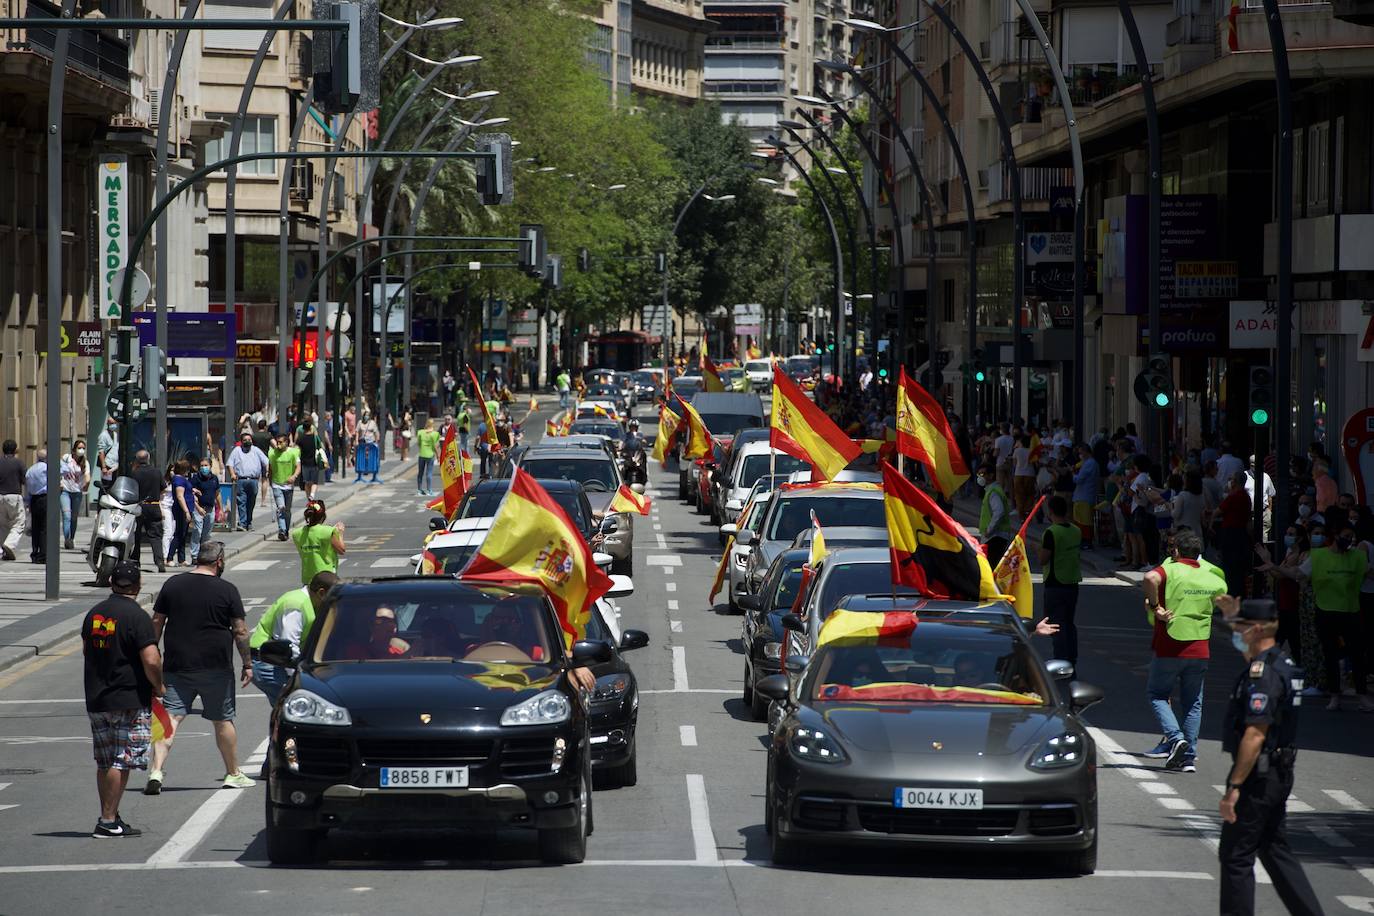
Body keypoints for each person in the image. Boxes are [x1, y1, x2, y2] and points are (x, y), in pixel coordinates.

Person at [1214, 597, 1324, 916]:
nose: (1236, 633)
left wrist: (1234, 786)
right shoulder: (1279, 663)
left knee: (1236, 856)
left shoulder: (1264, 674)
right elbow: (1250, 651)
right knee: (1274, 849)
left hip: (1259, 776)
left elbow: (1255, 734)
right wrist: (1234, 615)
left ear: (1257, 629)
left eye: (1241, 628)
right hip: (1278, 772)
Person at [146, 541, 255, 794]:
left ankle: (156, 770)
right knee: (222, 720)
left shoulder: (172, 585)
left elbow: (157, 621)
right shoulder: (227, 590)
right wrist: (247, 663)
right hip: (215, 665)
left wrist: (154, 651)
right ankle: (233, 773)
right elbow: (240, 630)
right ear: (219, 561)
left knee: (170, 719)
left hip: (177, 663)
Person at [82, 560, 164, 838]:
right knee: (122, 760)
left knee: (105, 761)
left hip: (97, 697)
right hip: (128, 698)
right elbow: (151, 659)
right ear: (138, 586)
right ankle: (107, 820)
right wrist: (159, 686)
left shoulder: (94, 614)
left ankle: (110, 815)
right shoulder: (137, 616)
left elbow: (86, 650)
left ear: (111, 583)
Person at [1140, 529, 1228, 772]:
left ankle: (1175, 737)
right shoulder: (1212, 574)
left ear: (1176, 551)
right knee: (1193, 703)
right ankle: (1188, 756)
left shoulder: (1171, 568)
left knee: (1157, 694)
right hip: (1199, 646)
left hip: (1170, 643)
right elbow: (1221, 598)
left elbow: (1149, 579)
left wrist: (1155, 605)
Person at [1298, 521, 1372, 711]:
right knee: (1330, 655)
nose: (1349, 540)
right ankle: (1335, 696)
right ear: (1336, 535)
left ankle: (1362, 696)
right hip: (1326, 612)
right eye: (1346, 536)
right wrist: (1274, 566)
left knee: (1357, 655)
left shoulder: (1357, 556)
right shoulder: (1319, 556)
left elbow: (1369, 572)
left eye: (1351, 537)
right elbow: (1297, 574)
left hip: (1351, 612)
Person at [1038, 496, 1082, 666]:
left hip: (1055, 582)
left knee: (1056, 624)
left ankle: (1061, 661)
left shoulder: (1051, 532)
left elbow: (1043, 559)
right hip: (1072, 582)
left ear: (1050, 512)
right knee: (1069, 623)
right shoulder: (1075, 530)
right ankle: (1071, 657)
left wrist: (1036, 549)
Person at [292, 499, 346, 586]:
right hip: (327, 577)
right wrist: (340, 533)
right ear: (323, 515)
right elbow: (341, 550)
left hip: (308, 578)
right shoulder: (328, 531)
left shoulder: (297, 533)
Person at [1216, 472, 1254, 596]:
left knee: (1230, 568)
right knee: (1238, 569)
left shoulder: (1234, 496)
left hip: (1231, 535)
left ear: (1235, 481)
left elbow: (1218, 511)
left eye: (1231, 479)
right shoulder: (1246, 496)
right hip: (1241, 535)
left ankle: (1232, 594)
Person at [129, 450, 166, 572]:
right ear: (148, 458)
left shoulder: (135, 473)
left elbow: (131, 491)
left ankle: (135, 560)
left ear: (137, 460)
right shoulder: (156, 472)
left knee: (136, 535)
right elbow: (163, 489)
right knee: (155, 536)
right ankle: (160, 561)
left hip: (138, 507)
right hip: (154, 506)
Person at [225, 432, 268, 531]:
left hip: (253, 480)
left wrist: (268, 470)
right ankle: (242, 523)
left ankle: (249, 522)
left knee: (251, 503)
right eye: (245, 440)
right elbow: (230, 463)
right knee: (241, 502)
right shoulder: (237, 450)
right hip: (241, 480)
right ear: (241, 442)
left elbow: (266, 461)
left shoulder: (256, 450)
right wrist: (232, 474)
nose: (247, 442)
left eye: (249, 440)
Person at [976, 462, 1012, 566]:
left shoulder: (993, 492)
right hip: (993, 536)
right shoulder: (990, 490)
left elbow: (999, 512)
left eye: (982, 474)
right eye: (978, 474)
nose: (979, 477)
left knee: (991, 566)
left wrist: (989, 529)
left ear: (991, 475)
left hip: (995, 536)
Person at [267, 433, 301, 541]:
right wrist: (269, 480)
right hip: (277, 484)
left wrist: (294, 476)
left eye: (281, 442)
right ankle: (281, 529)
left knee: (287, 510)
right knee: (281, 508)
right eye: (277, 442)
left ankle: (286, 529)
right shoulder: (272, 453)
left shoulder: (293, 453)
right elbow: (270, 467)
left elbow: (298, 467)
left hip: (289, 486)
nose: (278, 444)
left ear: (286, 442)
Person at [188, 455, 221, 564]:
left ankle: (205, 555)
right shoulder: (195, 479)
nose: (204, 468)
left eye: (206, 465)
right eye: (202, 466)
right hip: (199, 509)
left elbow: (217, 494)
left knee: (207, 533)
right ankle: (194, 555)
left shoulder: (214, 479)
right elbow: (192, 495)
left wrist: (220, 508)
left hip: (210, 509)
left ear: (210, 466)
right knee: (197, 531)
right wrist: (198, 508)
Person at [166, 459, 196, 567]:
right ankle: (169, 558)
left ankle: (181, 558)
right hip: (181, 510)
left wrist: (194, 491)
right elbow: (180, 496)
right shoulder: (179, 480)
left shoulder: (182, 479)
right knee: (179, 534)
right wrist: (186, 511)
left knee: (183, 535)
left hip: (186, 509)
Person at [1071, 444, 1100, 546]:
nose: (1080, 455)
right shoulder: (1087, 463)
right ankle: (1083, 540)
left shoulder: (1090, 464)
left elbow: (1079, 479)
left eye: (1081, 452)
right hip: (1082, 495)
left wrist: (1073, 475)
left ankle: (1087, 541)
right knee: (1080, 520)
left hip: (1085, 496)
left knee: (1085, 521)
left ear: (1086, 452)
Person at [23, 448, 47, 564]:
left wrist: (27, 502)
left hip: (34, 499)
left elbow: (27, 487)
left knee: (35, 527)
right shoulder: (47, 468)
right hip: (45, 498)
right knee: (44, 528)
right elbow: (64, 469)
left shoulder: (30, 470)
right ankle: (43, 554)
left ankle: (35, 553)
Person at [294, 418, 324, 500]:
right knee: (314, 482)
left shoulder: (300, 439)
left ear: (303, 428)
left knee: (307, 482)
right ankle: (312, 495)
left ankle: (308, 499)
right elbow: (321, 448)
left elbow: (296, 450)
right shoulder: (315, 438)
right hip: (314, 463)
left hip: (304, 463)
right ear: (311, 427)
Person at [416, 417, 440, 497]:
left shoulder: (420, 432)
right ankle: (429, 490)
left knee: (420, 473)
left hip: (422, 454)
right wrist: (438, 455)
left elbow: (418, 443)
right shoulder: (435, 434)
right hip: (430, 455)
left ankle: (419, 490)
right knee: (429, 473)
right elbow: (436, 446)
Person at [96, 418, 120, 493]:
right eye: (111, 423)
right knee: (105, 486)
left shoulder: (115, 434)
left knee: (113, 485)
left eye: (114, 423)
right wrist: (103, 467)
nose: (113, 425)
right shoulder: (103, 435)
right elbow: (101, 451)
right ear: (108, 424)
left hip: (114, 465)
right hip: (107, 465)